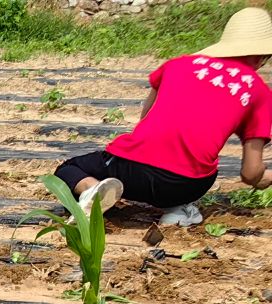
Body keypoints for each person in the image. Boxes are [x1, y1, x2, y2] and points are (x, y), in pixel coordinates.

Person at [51, 5, 271, 227]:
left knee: (68, 169)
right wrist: (265, 178)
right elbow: (250, 173)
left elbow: (145, 117)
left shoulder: (177, 65)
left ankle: (91, 189)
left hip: (131, 175)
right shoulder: (260, 93)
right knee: (201, 169)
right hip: (186, 185)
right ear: (262, 57)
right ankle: (177, 209)